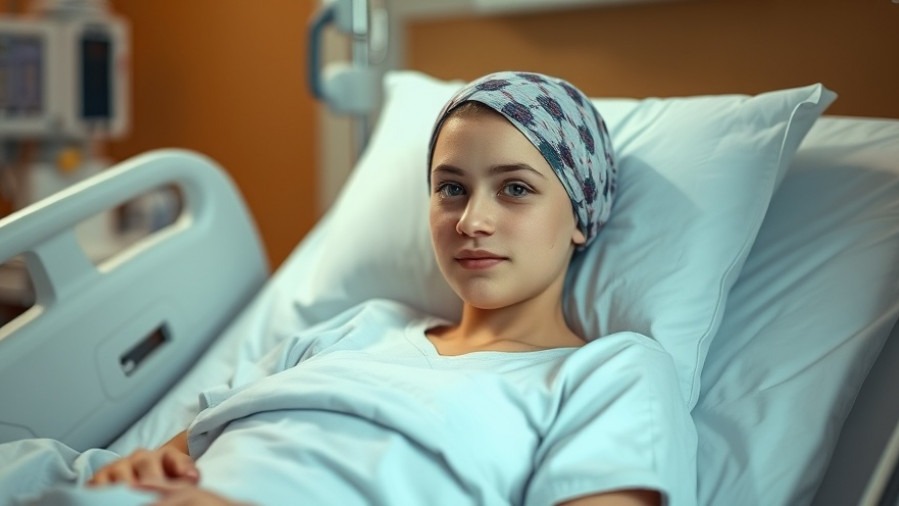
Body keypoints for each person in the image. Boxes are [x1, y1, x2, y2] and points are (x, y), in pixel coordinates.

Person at [41, 71, 696, 505]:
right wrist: (137, 470)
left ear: (580, 216)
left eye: (515, 188)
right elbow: (173, 454)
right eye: (451, 188)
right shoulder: (356, 328)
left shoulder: (610, 373)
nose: (471, 221)